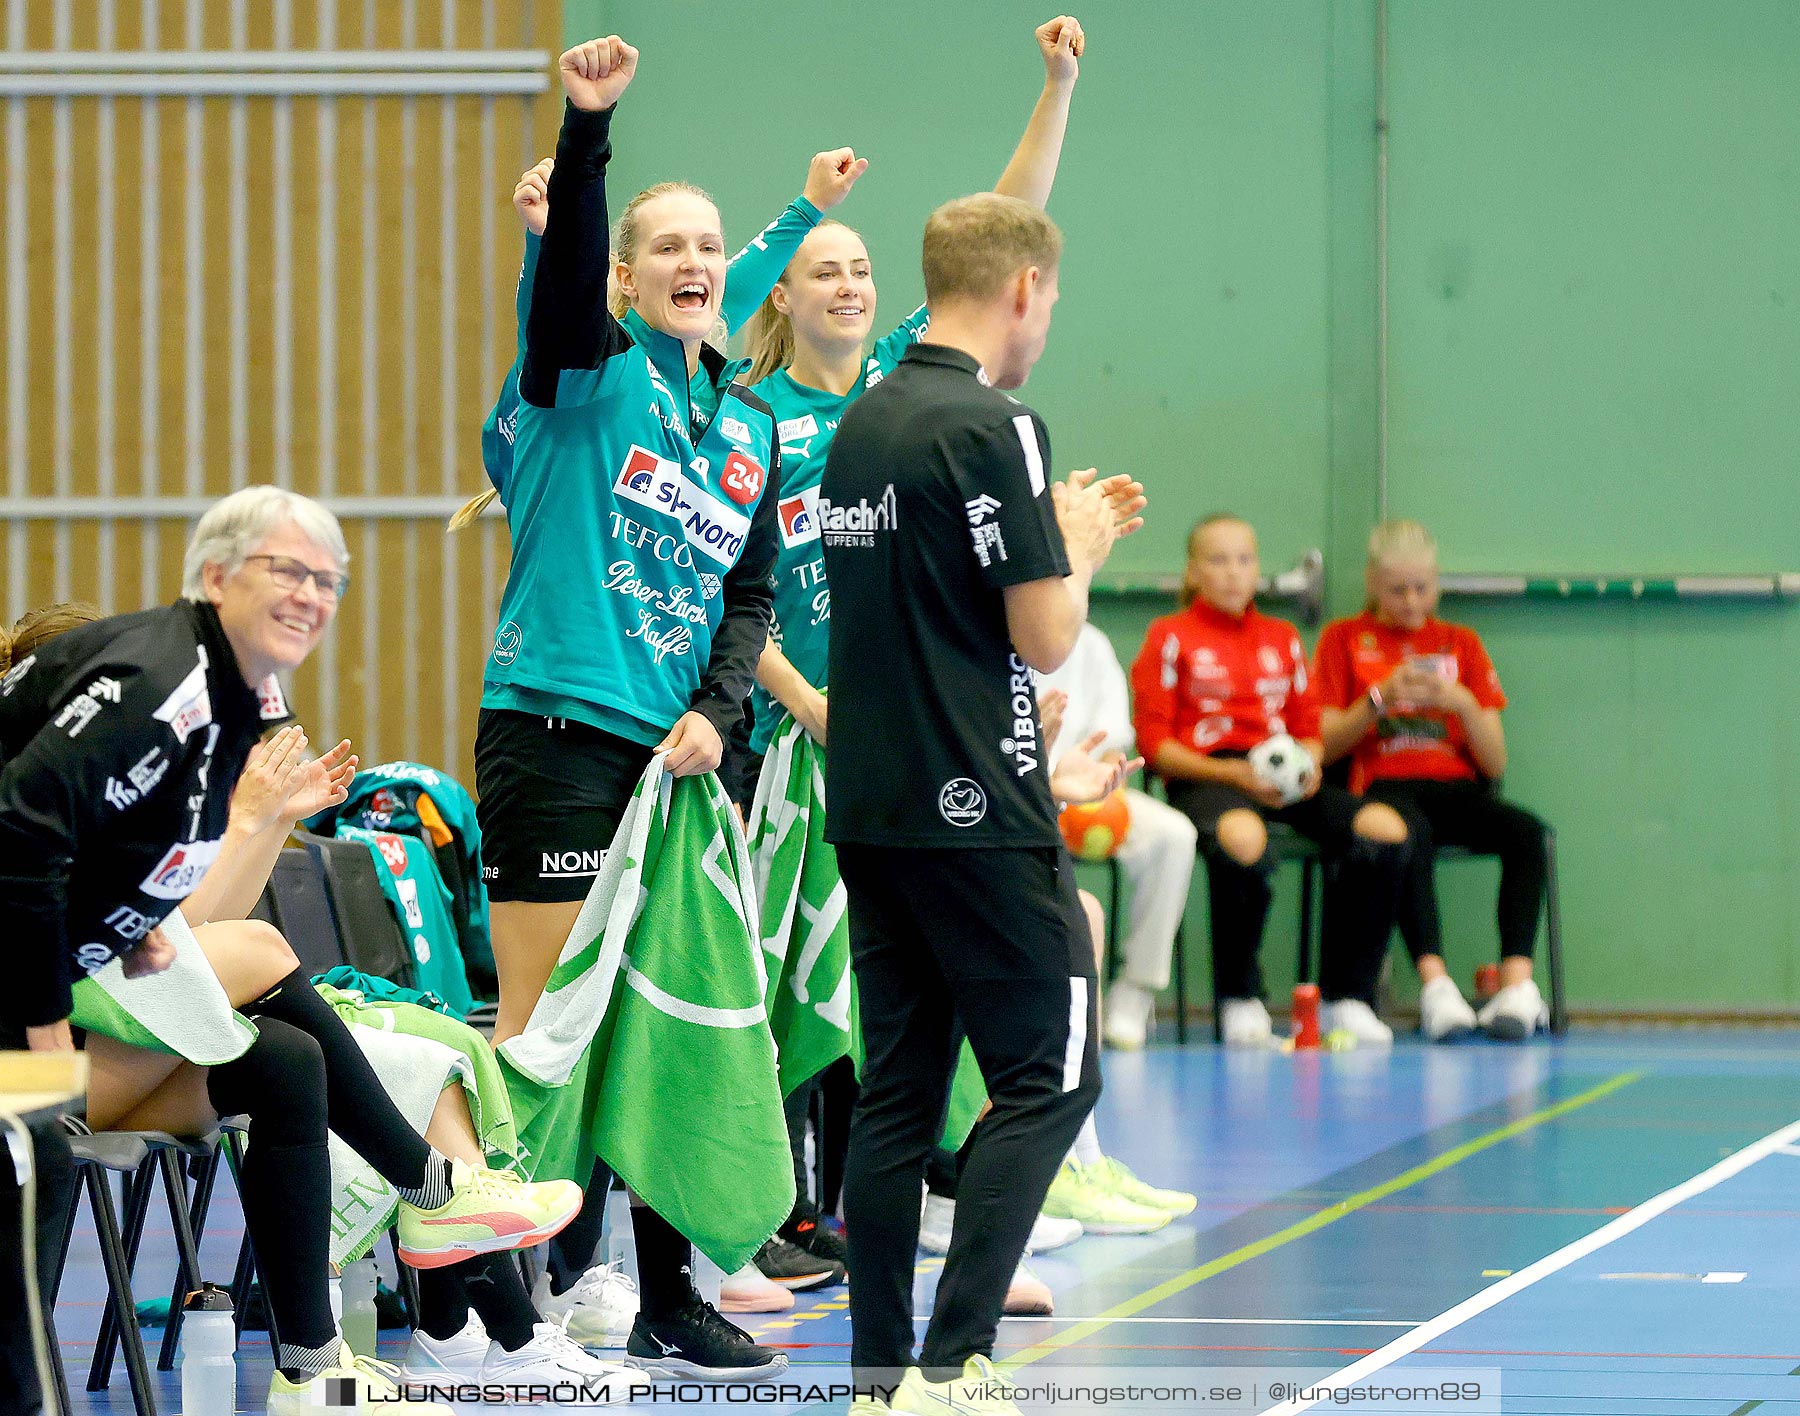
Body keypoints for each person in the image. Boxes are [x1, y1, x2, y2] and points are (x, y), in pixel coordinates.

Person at [0, 491, 585, 1413]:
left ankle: (310, 1366)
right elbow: (169, 940)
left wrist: (263, 824)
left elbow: (169, 942)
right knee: (263, 948)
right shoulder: (40, 798)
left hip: (98, 1053)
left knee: (287, 1060)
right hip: (31, 1079)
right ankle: (432, 1190)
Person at [467, 36, 820, 1381]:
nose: (690, 259)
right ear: (621, 272)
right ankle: (509, 1310)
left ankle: (667, 1288)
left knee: (663, 1021)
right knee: (550, 1032)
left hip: (679, 764)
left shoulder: (744, 428)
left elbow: (750, 597)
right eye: (662, 243)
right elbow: (558, 292)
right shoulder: (582, 373)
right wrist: (589, 124)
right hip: (558, 732)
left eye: (709, 244)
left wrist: (723, 716)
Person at [737, 11, 1088, 1290]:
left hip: (890, 740)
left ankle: (907, 1251)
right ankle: (778, 1221)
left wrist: (1053, 89)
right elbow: (735, 595)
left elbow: (1000, 244)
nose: (850, 283)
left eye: (864, 268)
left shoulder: (895, 394)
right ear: (780, 291)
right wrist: (810, 703)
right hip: (797, 742)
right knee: (805, 1009)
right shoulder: (753, 417)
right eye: (821, 267)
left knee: (886, 1039)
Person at [822, 185, 1144, 1415]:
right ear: (1023, 289)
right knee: (1051, 1078)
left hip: (873, 801)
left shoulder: (864, 423)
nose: (1049, 318)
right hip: (978, 812)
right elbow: (1046, 634)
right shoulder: (997, 426)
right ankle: (955, 1367)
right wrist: (1080, 545)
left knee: (898, 1095)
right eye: (1051, 296)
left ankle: (876, 1377)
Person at [1130, 515, 1409, 1049]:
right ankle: (1240, 997)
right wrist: (1230, 772)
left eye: (1245, 559)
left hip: (1283, 776)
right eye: (1218, 560)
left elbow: (1309, 729)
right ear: (1192, 570)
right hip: (1209, 775)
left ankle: (1345, 998)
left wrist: (1305, 765)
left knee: (1385, 830)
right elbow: (1155, 744)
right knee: (1244, 839)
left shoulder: (1282, 638)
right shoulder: (1170, 637)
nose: (1235, 573)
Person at [1315, 519, 1551, 1040]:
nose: (1411, 600)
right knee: (1409, 831)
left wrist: (1462, 704)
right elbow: (1324, 743)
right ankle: (1436, 985)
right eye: (1398, 589)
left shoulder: (1460, 643)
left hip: (1457, 787)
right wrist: (1377, 700)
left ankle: (1516, 986)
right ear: (1374, 583)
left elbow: (1495, 763)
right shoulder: (1343, 639)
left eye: (1423, 587)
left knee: (1527, 833)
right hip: (1381, 786)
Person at [1035, 623, 1198, 1048]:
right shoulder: (983, 632)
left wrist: (1101, 786)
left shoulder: (1091, 642)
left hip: (1087, 791)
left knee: (1174, 835)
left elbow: (1113, 741)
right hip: (1019, 793)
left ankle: (1136, 991)